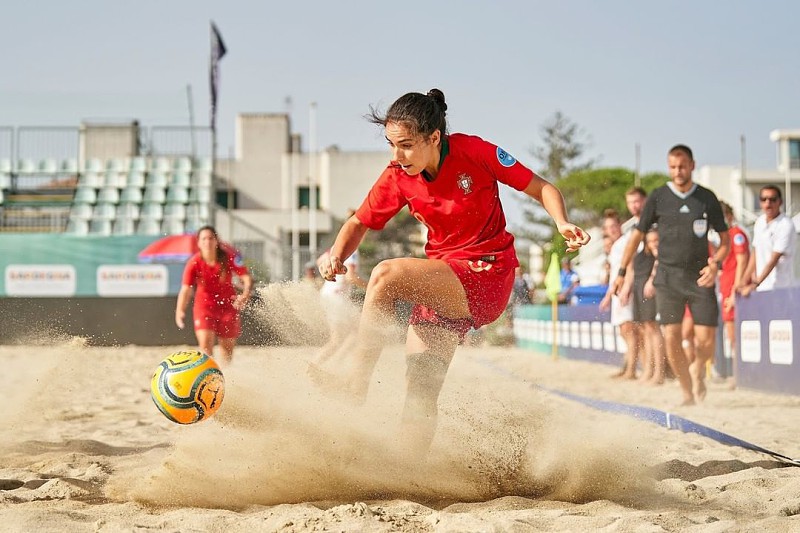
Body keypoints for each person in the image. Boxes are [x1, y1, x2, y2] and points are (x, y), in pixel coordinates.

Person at [314, 88, 590, 456]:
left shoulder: (474, 151)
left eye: (406, 145)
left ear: (434, 138)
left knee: (385, 275)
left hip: (487, 272)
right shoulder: (398, 175)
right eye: (391, 145)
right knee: (420, 390)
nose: (396, 156)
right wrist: (336, 254)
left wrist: (562, 222)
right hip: (443, 281)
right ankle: (405, 469)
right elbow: (359, 222)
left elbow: (542, 187)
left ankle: (355, 382)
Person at [613, 144, 729, 405]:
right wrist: (621, 271)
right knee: (671, 336)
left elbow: (725, 241)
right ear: (669, 167)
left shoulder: (707, 198)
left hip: (700, 277)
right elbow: (637, 236)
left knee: (705, 341)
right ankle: (687, 391)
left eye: (683, 166)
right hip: (667, 277)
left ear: (692, 166)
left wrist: (716, 264)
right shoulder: (657, 197)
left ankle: (699, 370)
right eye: (673, 167)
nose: (678, 171)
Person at [175, 225, 253, 366]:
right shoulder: (194, 263)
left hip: (228, 306)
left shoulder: (228, 257)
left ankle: (225, 376)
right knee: (205, 345)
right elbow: (186, 289)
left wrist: (246, 293)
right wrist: (180, 310)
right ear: (198, 242)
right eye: (204, 239)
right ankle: (207, 376)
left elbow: (246, 277)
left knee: (227, 350)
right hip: (204, 307)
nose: (208, 242)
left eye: (211, 238)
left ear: (217, 241)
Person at [599, 209, 636, 379]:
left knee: (629, 330)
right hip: (617, 291)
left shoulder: (624, 242)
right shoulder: (615, 246)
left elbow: (630, 267)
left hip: (624, 292)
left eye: (614, 225)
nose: (612, 229)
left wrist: (627, 288)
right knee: (623, 331)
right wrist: (608, 296)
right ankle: (627, 366)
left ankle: (631, 370)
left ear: (620, 225)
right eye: (608, 227)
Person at [739, 185, 796, 296]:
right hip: (763, 288)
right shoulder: (760, 222)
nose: (768, 203)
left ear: (780, 202)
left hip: (781, 289)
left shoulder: (786, 225)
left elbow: (774, 259)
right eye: (764, 199)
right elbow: (755, 253)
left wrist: (755, 283)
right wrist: (743, 281)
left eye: (772, 199)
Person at [718, 201, 749, 387]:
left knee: (735, 337)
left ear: (729, 215)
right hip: (726, 289)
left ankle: (739, 376)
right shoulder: (726, 237)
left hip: (733, 291)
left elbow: (742, 260)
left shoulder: (736, 235)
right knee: (732, 337)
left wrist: (734, 291)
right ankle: (737, 375)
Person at [639, 226, 667, 384]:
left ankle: (659, 372)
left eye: (656, 240)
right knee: (649, 329)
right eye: (650, 241)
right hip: (652, 295)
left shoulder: (663, 255)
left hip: (664, 294)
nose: (653, 244)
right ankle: (651, 370)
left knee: (656, 331)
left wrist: (651, 280)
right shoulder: (651, 256)